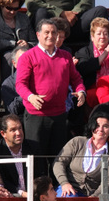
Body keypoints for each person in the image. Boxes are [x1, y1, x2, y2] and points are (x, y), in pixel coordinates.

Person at [16, 19, 86, 157]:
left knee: (58, 158)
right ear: (38, 35)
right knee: (36, 158)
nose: (50, 36)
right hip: (36, 115)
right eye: (46, 32)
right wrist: (31, 96)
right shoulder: (28, 56)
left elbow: (76, 78)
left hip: (59, 115)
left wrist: (81, 91)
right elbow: (20, 84)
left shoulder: (65, 56)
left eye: (54, 32)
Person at [53, 111, 109, 197]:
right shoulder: (77, 142)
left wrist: (92, 199)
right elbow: (59, 162)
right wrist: (64, 183)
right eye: (97, 125)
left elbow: (108, 183)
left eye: (105, 126)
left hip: (93, 195)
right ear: (91, 127)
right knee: (69, 197)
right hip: (68, 189)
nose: (100, 129)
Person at [0, 114, 46, 197]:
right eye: (13, 130)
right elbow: (1, 180)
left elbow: (40, 175)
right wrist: (21, 193)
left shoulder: (33, 147)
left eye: (20, 128)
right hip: (9, 196)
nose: (18, 133)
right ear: (3, 133)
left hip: (33, 195)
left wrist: (34, 192)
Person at [0, 0, 37, 81]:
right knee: (9, 57)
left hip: (26, 52)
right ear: (1, 5)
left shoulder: (24, 19)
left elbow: (35, 42)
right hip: (3, 56)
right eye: (9, 8)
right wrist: (14, 44)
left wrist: (27, 44)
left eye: (16, 8)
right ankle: (9, 88)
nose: (12, 12)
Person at [75, 18, 109, 108]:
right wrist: (104, 54)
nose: (102, 36)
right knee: (92, 95)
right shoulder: (84, 52)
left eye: (105, 34)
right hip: (92, 87)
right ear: (92, 37)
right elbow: (83, 69)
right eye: (99, 34)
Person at [1, 45, 29, 119]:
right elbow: (12, 110)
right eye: (22, 60)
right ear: (14, 63)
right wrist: (26, 94)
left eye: (28, 60)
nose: (26, 63)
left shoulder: (39, 78)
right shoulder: (8, 84)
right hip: (21, 120)